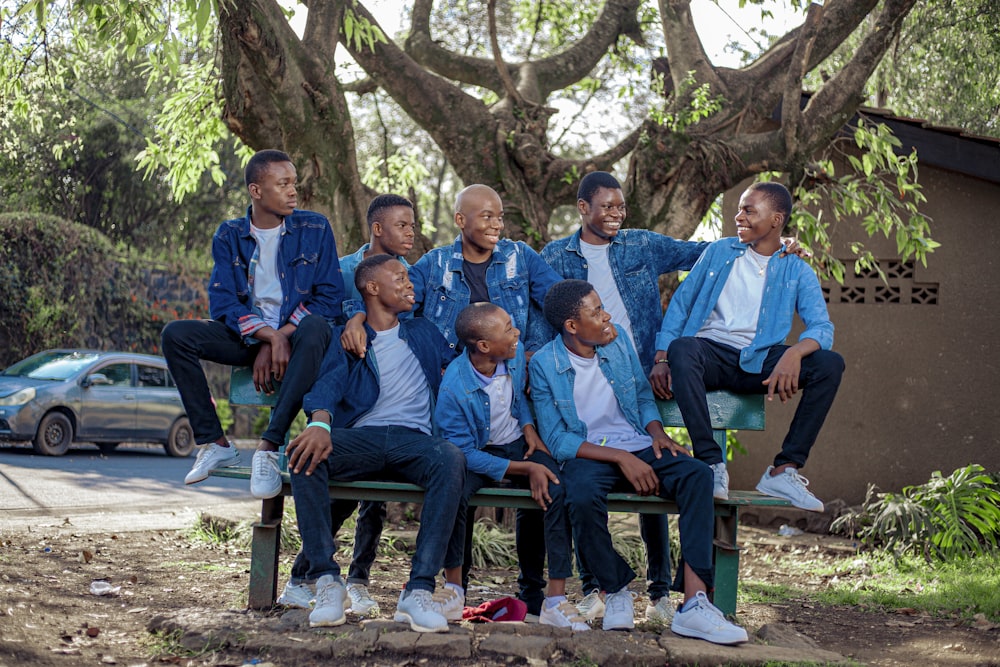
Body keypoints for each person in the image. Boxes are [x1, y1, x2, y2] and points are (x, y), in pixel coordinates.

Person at [341, 183, 563, 616]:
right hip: (456, 402)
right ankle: (450, 587)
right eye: (486, 217)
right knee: (454, 475)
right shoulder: (436, 264)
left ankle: (536, 595)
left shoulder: (521, 257)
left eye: (501, 217)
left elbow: (558, 301)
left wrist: (539, 354)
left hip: (513, 400)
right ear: (461, 221)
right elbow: (392, 297)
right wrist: (355, 314)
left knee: (544, 484)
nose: (497, 225)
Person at [528, 279, 748, 644]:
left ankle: (694, 603)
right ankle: (615, 590)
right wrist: (620, 457)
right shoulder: (545, 365)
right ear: (571, 326)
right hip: (590, 452)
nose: (606, 315)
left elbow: (644, 397)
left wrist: (657, 434)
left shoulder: (617, 343)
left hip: (638, 443)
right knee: (578, 495)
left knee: (696, 476)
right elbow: (557, 439)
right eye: (595, 311)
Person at [535, 170, 708, 623]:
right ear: (583, 208)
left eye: (620, 206)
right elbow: (543, 309)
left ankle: (677, 594)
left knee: (675, 478)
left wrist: (764, 249)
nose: (615, 214)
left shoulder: (640, 245)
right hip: (588, 412)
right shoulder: (555, 256)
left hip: (637, 376)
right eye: (606, 206)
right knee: (581, 489)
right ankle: (605, 587)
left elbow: (701, 255)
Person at [285, 254, 465, 632]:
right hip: (361, 438)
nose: (409, 284)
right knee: (304, 455)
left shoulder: (424, 332)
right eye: (399, 278)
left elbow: (458, 366)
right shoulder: (349, 337)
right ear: (371, 288)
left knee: (450, 458)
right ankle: (326, 581)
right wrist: (320, 422)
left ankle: (418, 591)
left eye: (408, 278)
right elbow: (329, 383)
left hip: (414, 442)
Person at [649, 181, 845, 511]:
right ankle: (711, 465)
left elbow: (822, 327)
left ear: (776, 220)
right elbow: (681, 305)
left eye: (749, 210)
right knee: (683, 347)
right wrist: (662, 355)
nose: (738, 216)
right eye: (739, 209)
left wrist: (794, 353)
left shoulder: (796, 268)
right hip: (709, 355)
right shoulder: (719, 252)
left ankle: (784, 470)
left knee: (830, 364)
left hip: (760, 362)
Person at [161, 149, 342, 499]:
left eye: (294, 183)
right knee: (176, 335)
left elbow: (329, 298)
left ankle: (268, 448)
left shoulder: (315, 228)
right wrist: (265, 337)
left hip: (300, 341)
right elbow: (223, 302)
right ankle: (215, 443)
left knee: (318, 325)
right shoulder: (229, 235)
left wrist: (280, 337)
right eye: (283, 184)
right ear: (256, 191)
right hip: (249, 337)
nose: (293, 191)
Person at [288, 193, 417, 616]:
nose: (411, 233)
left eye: (413, 225)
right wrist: (355, 317)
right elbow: (325, 322)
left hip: (393, 400)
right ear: (377, 228)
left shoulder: (410, 276)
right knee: (342, 497)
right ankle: (307, 576)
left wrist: (364, 319)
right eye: (402, 225)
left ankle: (358, 579)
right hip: (350, 394)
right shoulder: (343, 270)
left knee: (374, 504)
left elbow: (406, 325)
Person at [435, 303, 587, 631]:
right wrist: (521, 469)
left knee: (554, 487)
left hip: (519, 443)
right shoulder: (454, 388)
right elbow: (461, 452)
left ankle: (552, 598)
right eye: (507, 329)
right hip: (474, 452)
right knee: (454, 491)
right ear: (484, 347)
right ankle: (454, 588)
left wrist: (529, 428)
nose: (517, 332)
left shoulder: (513, 357)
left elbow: (518, 400)